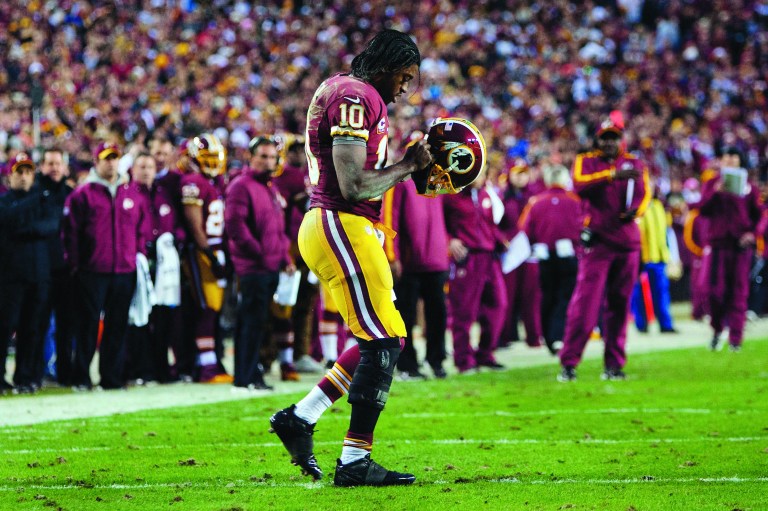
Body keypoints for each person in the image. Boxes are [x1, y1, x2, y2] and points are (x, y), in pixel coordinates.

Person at [269, 29, 433, 487]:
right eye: (403, 77)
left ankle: (301, 417)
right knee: (384, 343)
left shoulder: (345, 89)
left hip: (343, 225)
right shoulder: (355, 95)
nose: (404, 88)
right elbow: (354, 185)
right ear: (384, 66)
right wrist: (407, 166)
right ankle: (355, 459)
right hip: (340, 221)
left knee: (379, 337)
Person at [558, 118, 651, 382]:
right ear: (597, 140)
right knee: (585, 306)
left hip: (627, 243)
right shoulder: (586, 161)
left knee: (620, 307)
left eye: (614, 137)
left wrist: (636, 211)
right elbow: (578, 185)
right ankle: (569, 362)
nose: (609, 143)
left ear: (621, 138)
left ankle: (614, 365)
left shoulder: (634, 162)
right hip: (598, 243)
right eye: (605, 137)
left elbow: (645, 193)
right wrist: (611, 175)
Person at [62, 142, 150, 390]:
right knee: (87, 326)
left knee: (117, 326)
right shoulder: (83, 194)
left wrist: (137, 255)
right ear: (96, 161)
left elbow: (141, 229)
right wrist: (76, 266)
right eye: (106, 158)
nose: (111, 162)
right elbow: (71, 234)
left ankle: (111, 378)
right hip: (92, 271)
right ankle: (81, 377)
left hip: (124, 270)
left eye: (115, 157)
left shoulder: (131, 192)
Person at [225, 136, 295, 390]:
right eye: (263, 156)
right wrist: (259, 254)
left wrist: (284, 258)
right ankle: (245, 376)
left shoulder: (270, 188)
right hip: (253, 268)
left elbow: (277, 228)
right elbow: (235, 226)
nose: (268, 161)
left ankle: (251, 373)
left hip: (269, 265)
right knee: (251, 323)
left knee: (259, 323)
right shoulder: (240, 186)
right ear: (251, 157)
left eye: (272, 157)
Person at [0, 153, 59, 394]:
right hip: (10, 277)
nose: (24, 177)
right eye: (19, 172)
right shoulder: (8, 201)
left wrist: (22, 228)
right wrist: (31, 215)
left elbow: (50, 226)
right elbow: (7, 218)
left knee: (32, 328)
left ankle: (26, 376)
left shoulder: (43, 200)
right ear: (9, 176)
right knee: (4, 329)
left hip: (39, 275)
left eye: (27, 172)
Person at [382, 170, 450, 379]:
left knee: (438, 314)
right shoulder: (401, 182)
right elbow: (389, 217)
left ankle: (436, 360)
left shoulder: (440, 181)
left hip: (436, 260)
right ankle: (407, 364)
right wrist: (392, 256)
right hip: (410, 263)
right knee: (406, 317)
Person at [178, 133, 233, 383]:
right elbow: (194, 223)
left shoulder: (216, 183)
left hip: (217, 249)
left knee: (215, 308)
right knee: (207, 308)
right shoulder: (192, 182)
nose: (212, 163)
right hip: (202, 251)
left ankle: (211, 361)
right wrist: (209, 254)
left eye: (214, 158)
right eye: (206, 158)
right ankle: (207, 366)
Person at [698, 147, 763, 351]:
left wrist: (752, 234)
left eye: (734, 156)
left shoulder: (749, 188)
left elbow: (759, 215)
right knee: (713, 292)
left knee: (738, 292)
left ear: (739, 161)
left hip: (740, 248)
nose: (730, 160)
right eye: (727, 157)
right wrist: (715, 192)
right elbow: (702, 209)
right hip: (717, 246)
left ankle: (736, 339)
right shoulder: (712, 183)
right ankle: (717, 328)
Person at [443, 172, 508, 373]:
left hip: (489, 257)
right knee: (464, 311)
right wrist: (449, 241)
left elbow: (488, 225)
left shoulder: (485, 195)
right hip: (467, 258)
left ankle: (485, 353)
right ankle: (463, 360)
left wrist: (501, 240)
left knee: (499, 304)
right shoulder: (450, 196)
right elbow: (441, 224)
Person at [518, 164, 581, 355]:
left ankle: (548, 336)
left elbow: (524, 229)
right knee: (564, 297)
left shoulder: (536, 202)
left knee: (547, 296)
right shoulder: (575, 201)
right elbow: (583, 226)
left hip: (544, 256)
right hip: (567, 256)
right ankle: (558, 336)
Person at [36, 147, 75, 386]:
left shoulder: (73, 195)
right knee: (36, 325)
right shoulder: (34, 193)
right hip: (40, 270)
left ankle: (65, 373)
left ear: (65, 167)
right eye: (49, 163)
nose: (54, 168)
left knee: (66, 325)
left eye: (57, 163)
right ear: (42, 166)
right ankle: (34, 373)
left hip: (66, 270)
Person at [630, 174, 677, 334]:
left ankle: (666, 324)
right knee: (639, 294)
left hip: (659, 258)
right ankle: (641, 324)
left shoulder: (658, 206)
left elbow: (666, 232)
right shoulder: (635, 207)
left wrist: (669, 255)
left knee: (662, 292)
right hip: (642, 258)